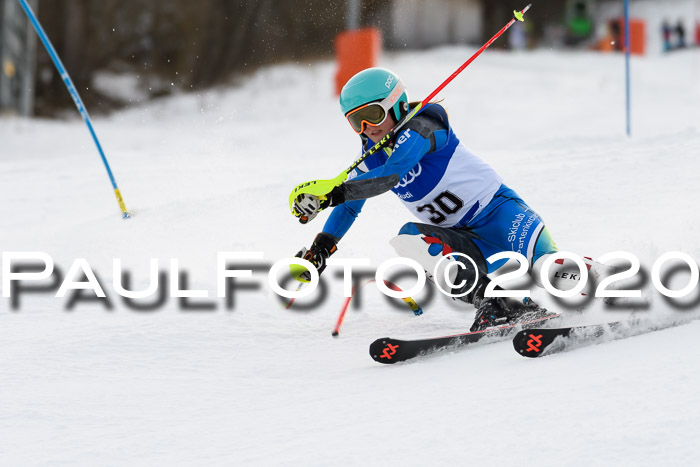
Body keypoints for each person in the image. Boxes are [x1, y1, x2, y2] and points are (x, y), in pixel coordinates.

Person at [291, 67, 584, 332]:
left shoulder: (424, 124)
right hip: (462, 240)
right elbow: (349, 208)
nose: (368, 127)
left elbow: (392, 174)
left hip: (499, 216)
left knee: (553, 272)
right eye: (357, 121)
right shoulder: (371, 156)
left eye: (374, 115)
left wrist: (335, 192)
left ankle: (615, 285)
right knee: (409, 239)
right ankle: (495, 303)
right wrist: (321, 249)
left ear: (396, 104)